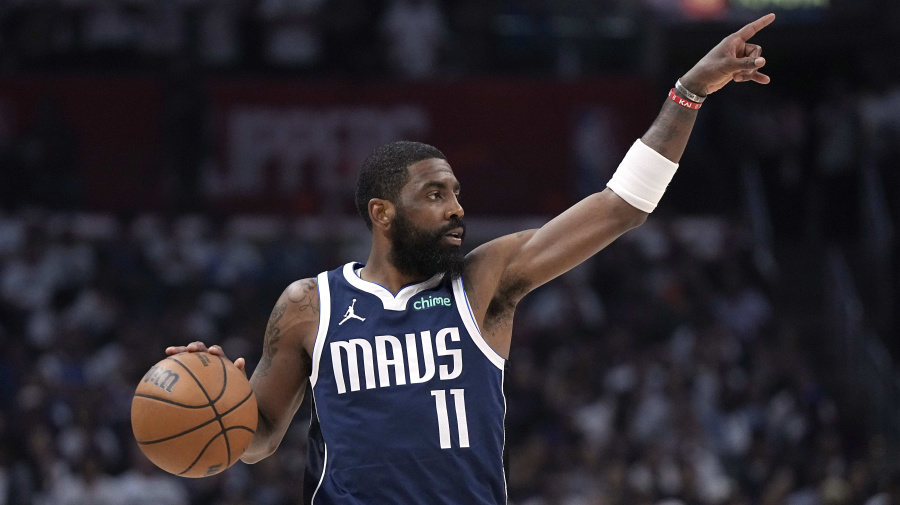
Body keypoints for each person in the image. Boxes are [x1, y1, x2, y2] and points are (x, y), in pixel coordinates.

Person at [166, 13, 776, 504]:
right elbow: (258, 440)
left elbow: (622, 206)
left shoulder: (486, 280)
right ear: (383, 214)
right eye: (435, 195)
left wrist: (688, 92)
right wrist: (221, 401)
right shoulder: (308, 306)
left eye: (456, 191)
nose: (457, 208)